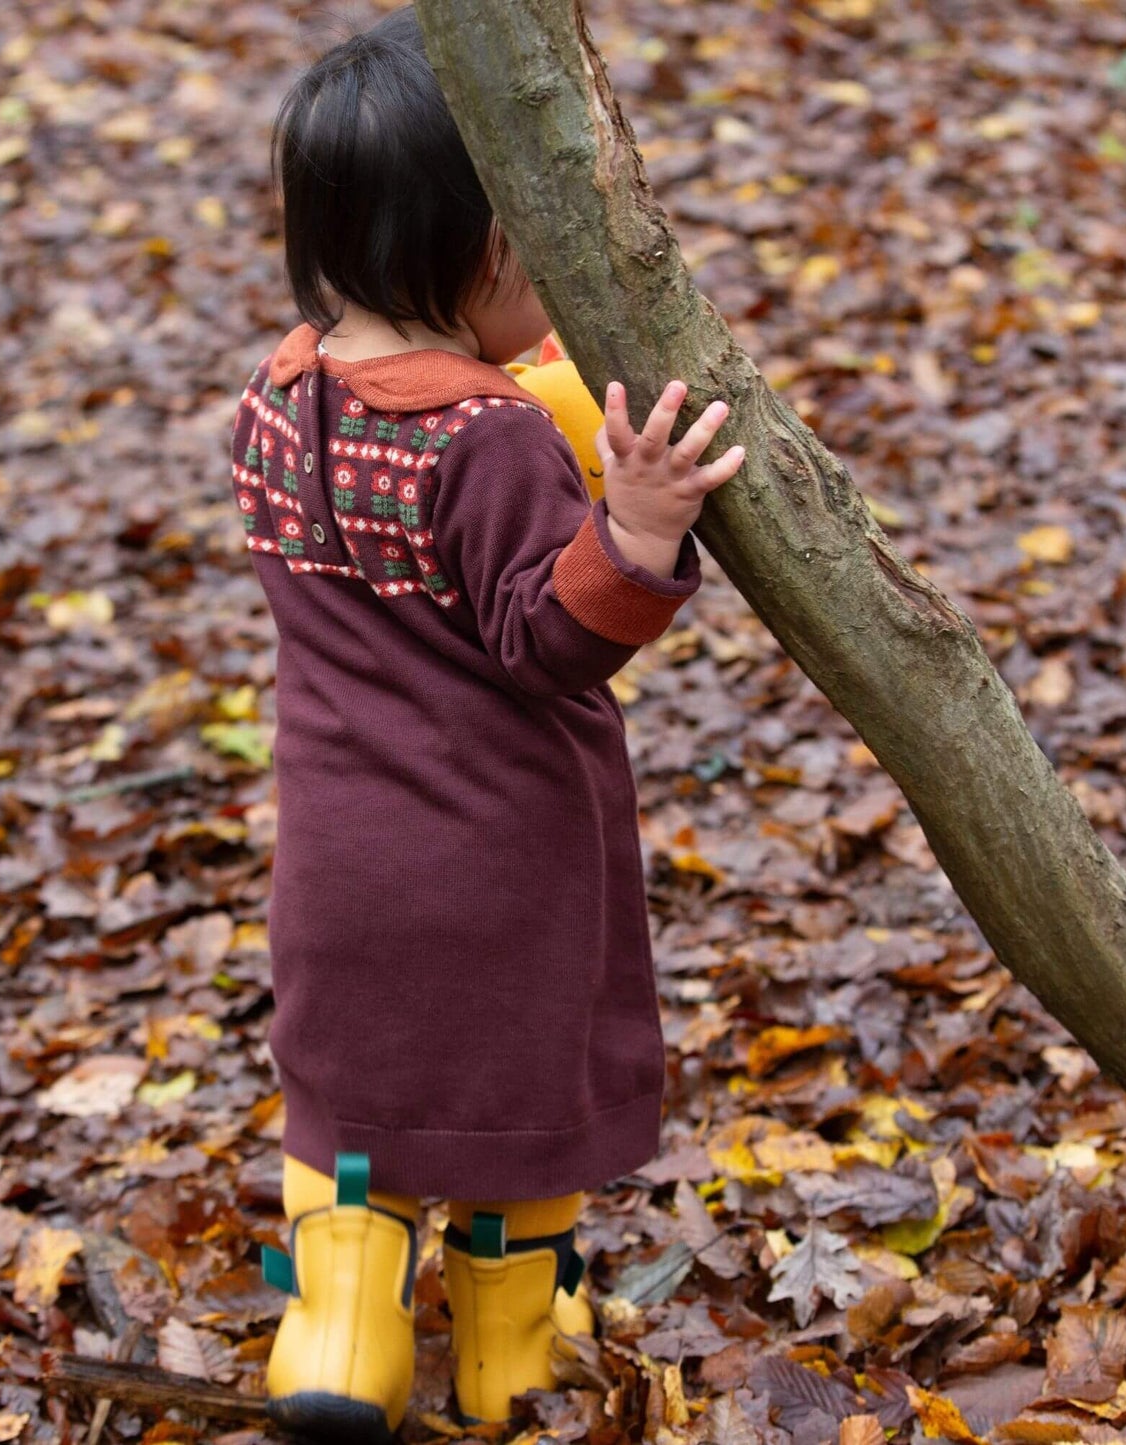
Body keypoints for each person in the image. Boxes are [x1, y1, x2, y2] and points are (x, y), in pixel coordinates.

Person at [231, 8, 746, 1439]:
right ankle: (511, 1346)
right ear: (481, 253)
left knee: (352, 1096)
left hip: (339, 848)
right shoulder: (490, 437)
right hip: (498, 849)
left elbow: (395, 560)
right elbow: (546, 639)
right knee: (517, 1090)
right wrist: (633, 527)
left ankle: (339, 1326)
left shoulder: (274, 400)